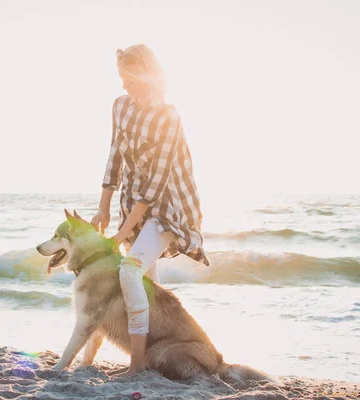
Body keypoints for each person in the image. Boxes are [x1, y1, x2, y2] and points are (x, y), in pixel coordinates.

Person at [91, 44, 210, 377]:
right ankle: (145, 357)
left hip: (168, 209)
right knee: (144, 283)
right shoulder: (120, 107)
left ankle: (137, 365)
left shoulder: (169, 118)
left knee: (128, 271)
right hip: (133, 205)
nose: (123, 84)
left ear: (145, 73)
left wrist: (121, 234)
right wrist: (103, 207)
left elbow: (156, 185)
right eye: (120, 77)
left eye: (127, 77)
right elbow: (114, 155)